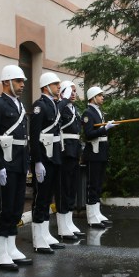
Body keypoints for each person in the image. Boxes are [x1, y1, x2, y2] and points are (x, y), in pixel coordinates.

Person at [0, 64, 34, 270]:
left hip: (20, 163)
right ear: (6, 82)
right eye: (18, 81)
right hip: (6, 164)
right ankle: (0, 253)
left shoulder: (19, 106)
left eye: (23, 82)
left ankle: (11, 246)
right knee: (4, 209)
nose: (22, 85)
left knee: (15, 208)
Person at [29, 72, 65, 253]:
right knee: (40, 198)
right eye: (55, 84)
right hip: (44, 157)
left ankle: (44, 233)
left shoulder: (54, 105)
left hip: (54, 156)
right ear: (46, 87)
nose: (59, 87)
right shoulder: (39, 106)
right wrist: (37, 161)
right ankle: (38, 239)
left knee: (48, 196)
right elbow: (34, 137)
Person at [82, 86, 118, 228]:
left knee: (98, 185)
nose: (103, 97)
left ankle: (97, 214)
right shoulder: (88, 112)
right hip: (93, 153)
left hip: (101, 152)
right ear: (93, 97)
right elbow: (89, 134)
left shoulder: (98, 111)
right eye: (100, 95)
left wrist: (108, 127)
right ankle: (91, 217)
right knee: (92, 185)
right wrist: (105, 129)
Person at [55, 80, 85, 240]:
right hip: (64, 151)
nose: (73, 94)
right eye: (70, 91)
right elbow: (56, 116)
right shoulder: (59, 106)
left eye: (74, 91)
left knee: (72, 188)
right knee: (63, 188)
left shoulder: (74, 109)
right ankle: (62, 226)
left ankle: (69, 222)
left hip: (74, 150)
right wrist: (64, 100)